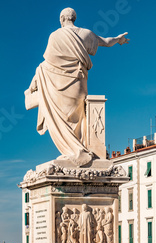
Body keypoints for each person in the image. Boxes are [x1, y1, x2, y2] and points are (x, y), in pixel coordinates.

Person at [25, 7, 129, 166]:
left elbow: (48, 63)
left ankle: (72, 151)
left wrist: (36, 77)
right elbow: (106, 42)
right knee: (79, 116)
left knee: (62, 118)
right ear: (74, 18)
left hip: (58, 83)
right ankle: (77, 150)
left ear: (61, 19)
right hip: (79, 82)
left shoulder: (55, 36)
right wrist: (118, 39)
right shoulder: (87, 34)